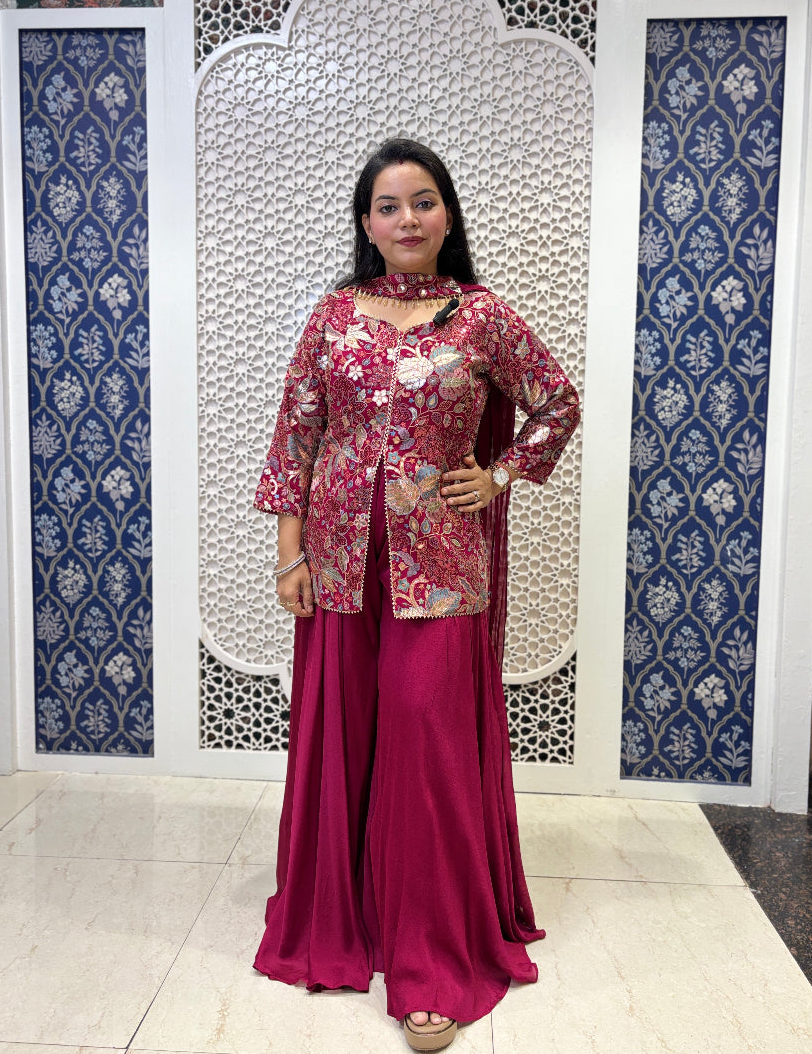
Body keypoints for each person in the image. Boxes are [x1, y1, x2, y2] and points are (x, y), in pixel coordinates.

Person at [252, 137, 580, 1051]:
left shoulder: (481, 317)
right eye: (389, 205)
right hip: (339, 565)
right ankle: (343, 915)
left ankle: (433, 956)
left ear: (447, 215)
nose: (407, 219)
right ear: (367, 222)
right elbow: (294, 443)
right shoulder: (328, 318)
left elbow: (558, 400)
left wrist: (503, 473)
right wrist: (290, 558)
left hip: (443, 565)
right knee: (345, 737)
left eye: (423, 201)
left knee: (428, 744)